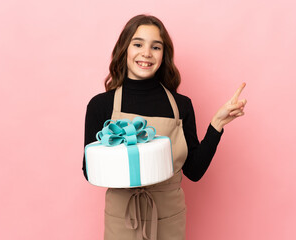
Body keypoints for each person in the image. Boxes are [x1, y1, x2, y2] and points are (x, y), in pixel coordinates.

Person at [83, 14, 247, 240]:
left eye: (156, 47)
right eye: (138, 44)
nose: (146, 53)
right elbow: (89, 171)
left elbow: (194, 171)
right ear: (125, 49)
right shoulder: (100, 106)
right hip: (123, 217)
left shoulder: (181, 106)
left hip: (169, 217)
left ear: (163, 55)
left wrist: (216, 125)